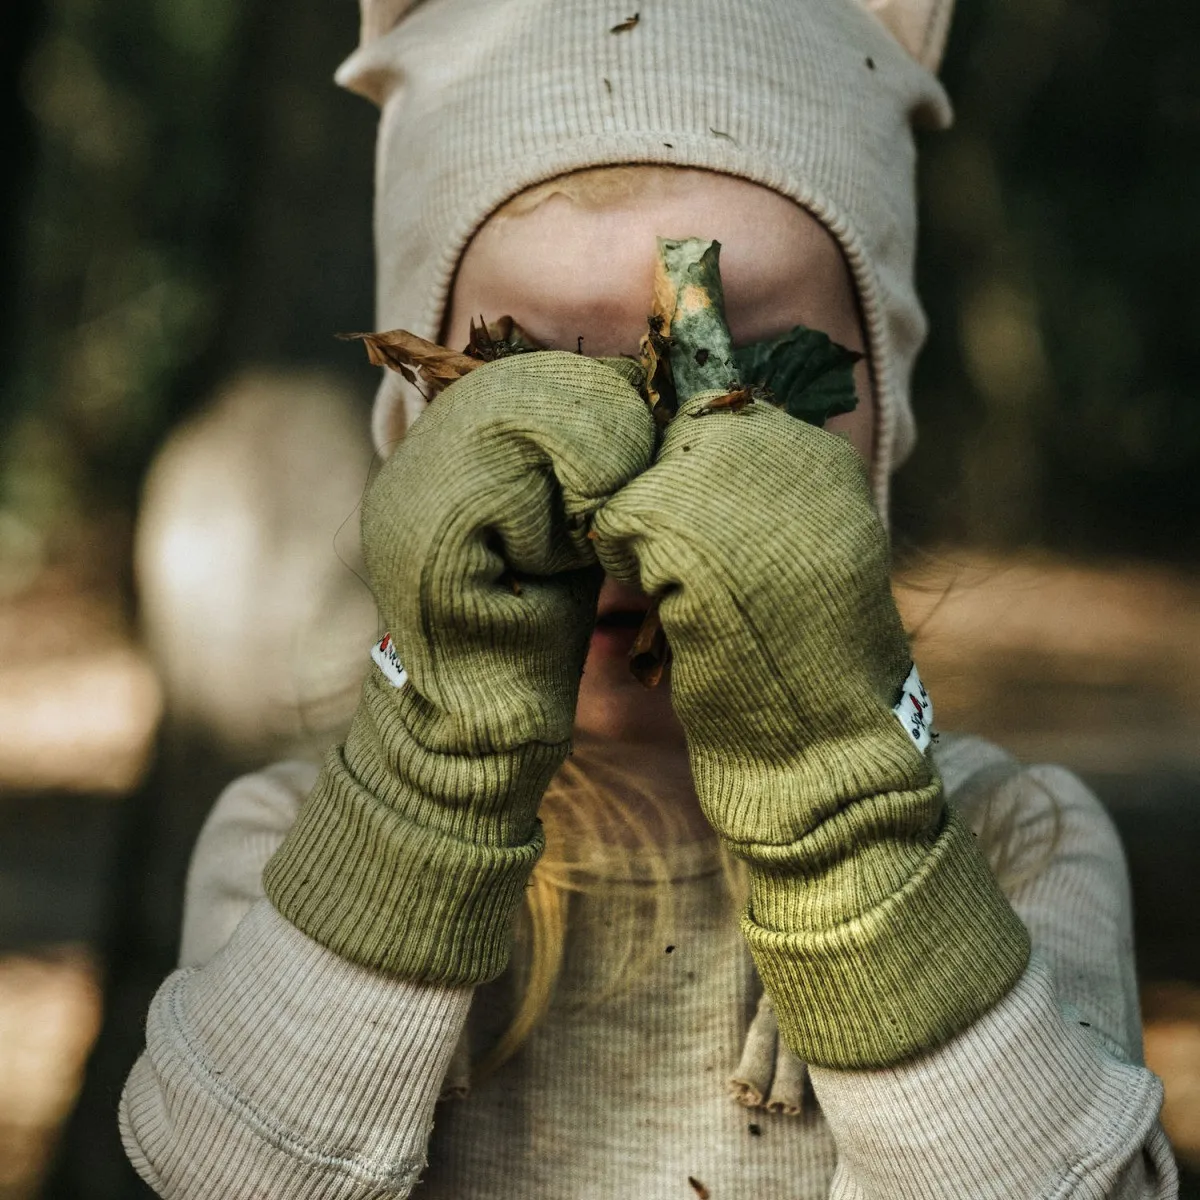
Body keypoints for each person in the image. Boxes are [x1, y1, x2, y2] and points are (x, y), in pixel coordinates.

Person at [118, 0, 1180, 1195]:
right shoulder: (290, 845)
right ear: (418, 435)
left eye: (735, 378)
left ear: (878, 432)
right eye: (523, 374)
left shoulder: (1017, 842)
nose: (634, 489)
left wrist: (846, 808)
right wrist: (432, 777)